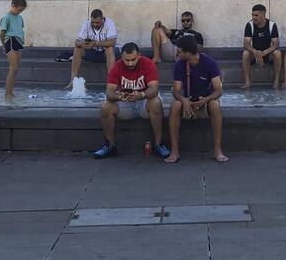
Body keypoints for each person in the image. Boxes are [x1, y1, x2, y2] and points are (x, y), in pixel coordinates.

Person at [94, 42, 168, 159]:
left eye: (133, 59)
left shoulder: (148, 64)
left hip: (144, 102)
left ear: (139, 55)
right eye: (127, 60)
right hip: (126, 103)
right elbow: (109, 94)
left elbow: (154, 89)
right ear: (122, 57)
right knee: (106, 107)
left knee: (156, 102)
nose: (130, 63)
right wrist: (119, 97)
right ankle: (110, 145)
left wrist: (141, 95)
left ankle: (159, 144)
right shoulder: (117, 67)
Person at [166, 36, 226, 164]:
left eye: (179, 51)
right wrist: (184, 100)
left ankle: (217, 149)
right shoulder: (180, 65)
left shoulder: (209, 63)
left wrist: (205, 100)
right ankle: (174, 150)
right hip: (187, 99)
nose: (177, 54)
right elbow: (176, 91)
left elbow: (218, 90)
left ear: (188, 53)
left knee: (214, 105)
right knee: (175, 105)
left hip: (206, 99)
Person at [68, 9, 119, 88]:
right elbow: (77, 42)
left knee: (109, 48)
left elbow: (112, 42)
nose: (95, 24)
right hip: (92, 52)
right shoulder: (87, 24)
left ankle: (111, 83)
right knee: (78, 48)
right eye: (93, 22)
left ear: (102, 19)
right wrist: (83, 44)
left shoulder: (109, 23)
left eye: (97, 22)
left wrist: (96, 43)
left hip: (106, 54)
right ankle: (72, 81)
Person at [241, 4, 282, 88]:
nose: (254, 17)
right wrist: (256, 52)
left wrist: (264, 52)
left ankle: (276, 81)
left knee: (277, 53)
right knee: (245, 53)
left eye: (256, 15)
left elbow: (276, 44)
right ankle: (247, 82)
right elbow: (246, 44)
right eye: (252, 15)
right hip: (254, 54)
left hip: (268, 54)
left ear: (263, 15)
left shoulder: (272, 25)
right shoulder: (249, 25)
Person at [0, 0, 28, 100]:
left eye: (22, 10)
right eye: (19, 10)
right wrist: (4, 46)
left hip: (19, 42)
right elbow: (2, 33)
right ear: (13, 5)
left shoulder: (20, 18)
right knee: (13, 68)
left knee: (15, 69)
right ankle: (7, 93)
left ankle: (11, 92)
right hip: (10, 41)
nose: (19, 12)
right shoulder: (6, 17)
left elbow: (20, 29)